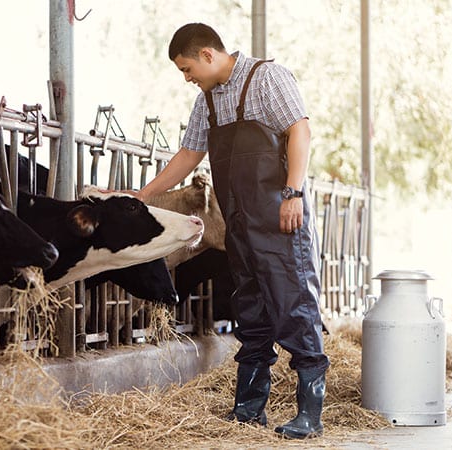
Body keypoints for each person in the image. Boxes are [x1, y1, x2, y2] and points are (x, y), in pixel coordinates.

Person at [132, 23, 330, 439]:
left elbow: (300, 130)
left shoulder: (266, 78)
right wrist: (144, 195)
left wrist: (293, 193)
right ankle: (248, 409)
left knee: (294, 305)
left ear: (207, 55)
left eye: (187, 69)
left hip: (279, 218)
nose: (187, 78)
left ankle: (310, 414)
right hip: (239, 223)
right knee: (251, 311)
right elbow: (190, 154)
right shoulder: (207, 102)